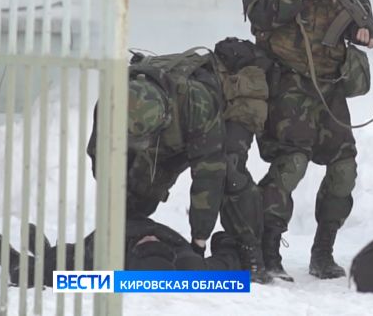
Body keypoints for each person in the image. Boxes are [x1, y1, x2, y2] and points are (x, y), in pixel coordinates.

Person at [239, 0, 373, 281]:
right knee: (291, 162)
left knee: (344, 165)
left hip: (328, 80)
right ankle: (267, 251)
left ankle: (323, 252)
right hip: (287, 76)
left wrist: (360, 31)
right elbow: (257, 12)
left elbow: (359, 12)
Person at [88, 45, 272, 283]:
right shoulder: (112, 105)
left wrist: (198, 243)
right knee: (136, 191)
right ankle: (132, 239)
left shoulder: (198, 104)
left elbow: (208, 178)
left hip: (225, 108)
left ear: (163, 118)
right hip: (170, 134)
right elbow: (101, 158)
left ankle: (251, 252)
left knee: (230, 172)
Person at [0, 218, 242, 288]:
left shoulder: (105, 269)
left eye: (147, 243)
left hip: (109, 240)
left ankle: (43, 251)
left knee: (52, 265)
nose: (149, 238)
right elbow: (229, 262)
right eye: (150, 242)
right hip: (119, 231)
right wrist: (224, 241)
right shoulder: (192, 270)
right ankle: (46, 251)